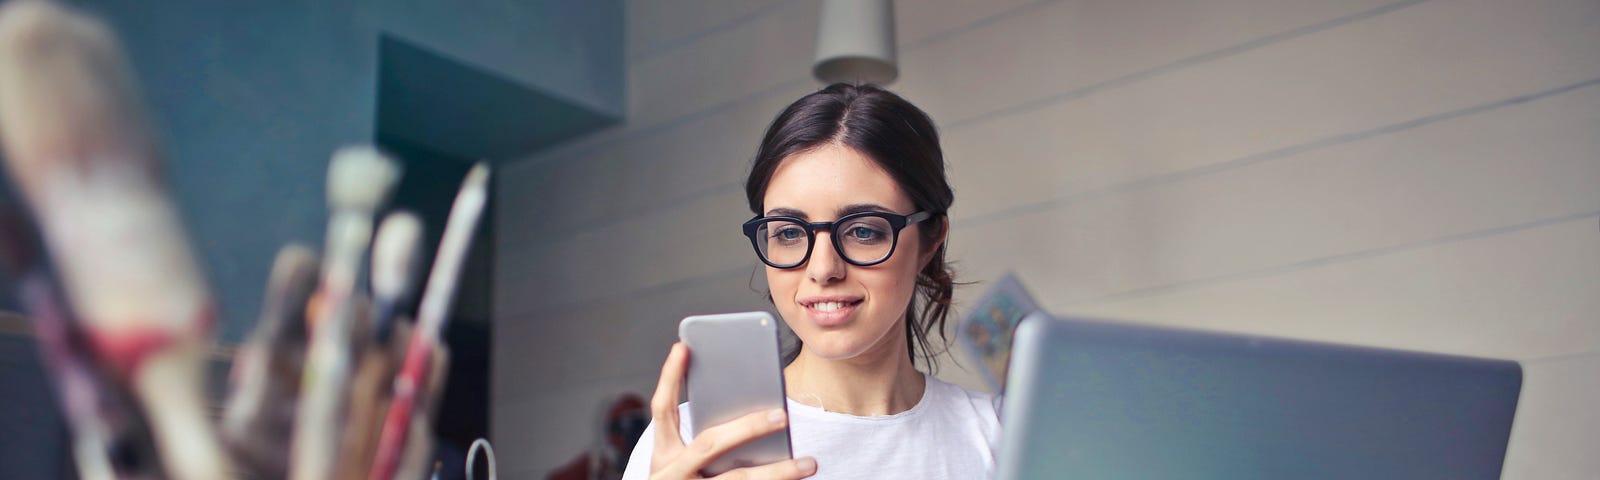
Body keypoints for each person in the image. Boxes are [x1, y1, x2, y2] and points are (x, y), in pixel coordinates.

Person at [621, 83, 1000, 480]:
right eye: (788, 233)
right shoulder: (685, 448)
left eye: (863, 231)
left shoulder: (998, 440)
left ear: (929, 240)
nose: (822, 269)